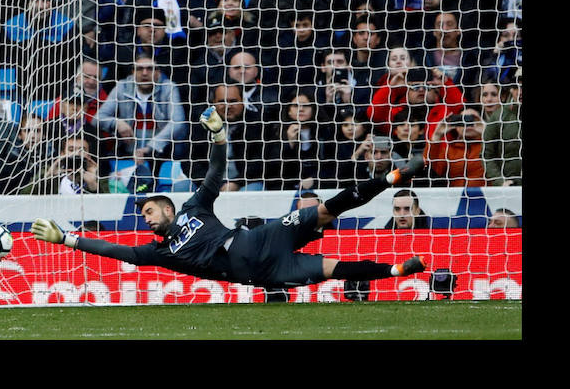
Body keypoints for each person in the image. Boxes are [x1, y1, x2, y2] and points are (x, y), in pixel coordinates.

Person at [31, 106, 428, 296]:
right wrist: (68, 239)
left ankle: (394, 175)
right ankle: (397, 271)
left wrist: (219, 138)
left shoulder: (193, 209)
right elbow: (115, 250)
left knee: (323, 209)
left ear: (169, 208)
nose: (148, 220)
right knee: (335, 269)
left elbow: (215, 176)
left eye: (150, 211)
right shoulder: (161, 252)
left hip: (259, 241)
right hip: (261, 272)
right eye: (145, 216)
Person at [95, 53, 187, 179]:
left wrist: (150, 147)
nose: (144, 73)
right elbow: (98, 118)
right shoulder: (122, 87)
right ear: (133, 72)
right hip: (127, 152)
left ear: (158, 72)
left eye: (150, 69)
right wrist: (117, 123)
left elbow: (178, 122)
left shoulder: (169, 88)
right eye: (139, 69)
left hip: (161, 152)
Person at [184, 83, 273, 192]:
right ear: (213, 104)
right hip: (208, 182)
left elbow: (261, 163)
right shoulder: (202, 125)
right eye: (222, 101)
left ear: (242, 101)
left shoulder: (258, 124)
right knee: (181, 187)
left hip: (245, 183)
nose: (228, 106)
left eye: (233, 101)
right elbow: (189, 162)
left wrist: (236, 183)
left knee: (254, 190)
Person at [425, 108, 487, 187]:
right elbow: (430, 168)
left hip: (487, 195)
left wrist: (487, 131)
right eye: (462, 120)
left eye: (472, 119)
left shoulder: (490, 146)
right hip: (456, 197)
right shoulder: (449, 151)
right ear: (456, 125)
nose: (467, 124)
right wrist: (436, 136)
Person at [483, 78, 522, 187]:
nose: (520, 92)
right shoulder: (498, 117)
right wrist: (500, 181)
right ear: (511, 90)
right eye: (515, 87)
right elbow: (487, 155)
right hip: (510, 188)